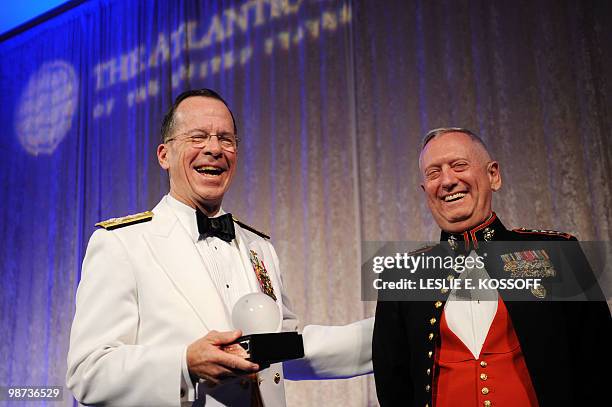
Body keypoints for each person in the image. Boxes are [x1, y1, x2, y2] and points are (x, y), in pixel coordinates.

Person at [66, 89, 373, 406]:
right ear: (164, 155)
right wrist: (184, 363)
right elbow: (88, 371)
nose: (213, 148)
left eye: (226, 139)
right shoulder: (121, 243)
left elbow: (286, 349)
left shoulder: (259, 246)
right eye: (197, 137)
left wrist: (396, 329)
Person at [372, 128, 611, 407]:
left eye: (459, 165)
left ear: (493, 175)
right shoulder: (402, 274)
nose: (447, 181)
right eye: (433, 173)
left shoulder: (557, 253)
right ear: (426, 191)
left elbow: (600, 366)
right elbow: (393, 386)